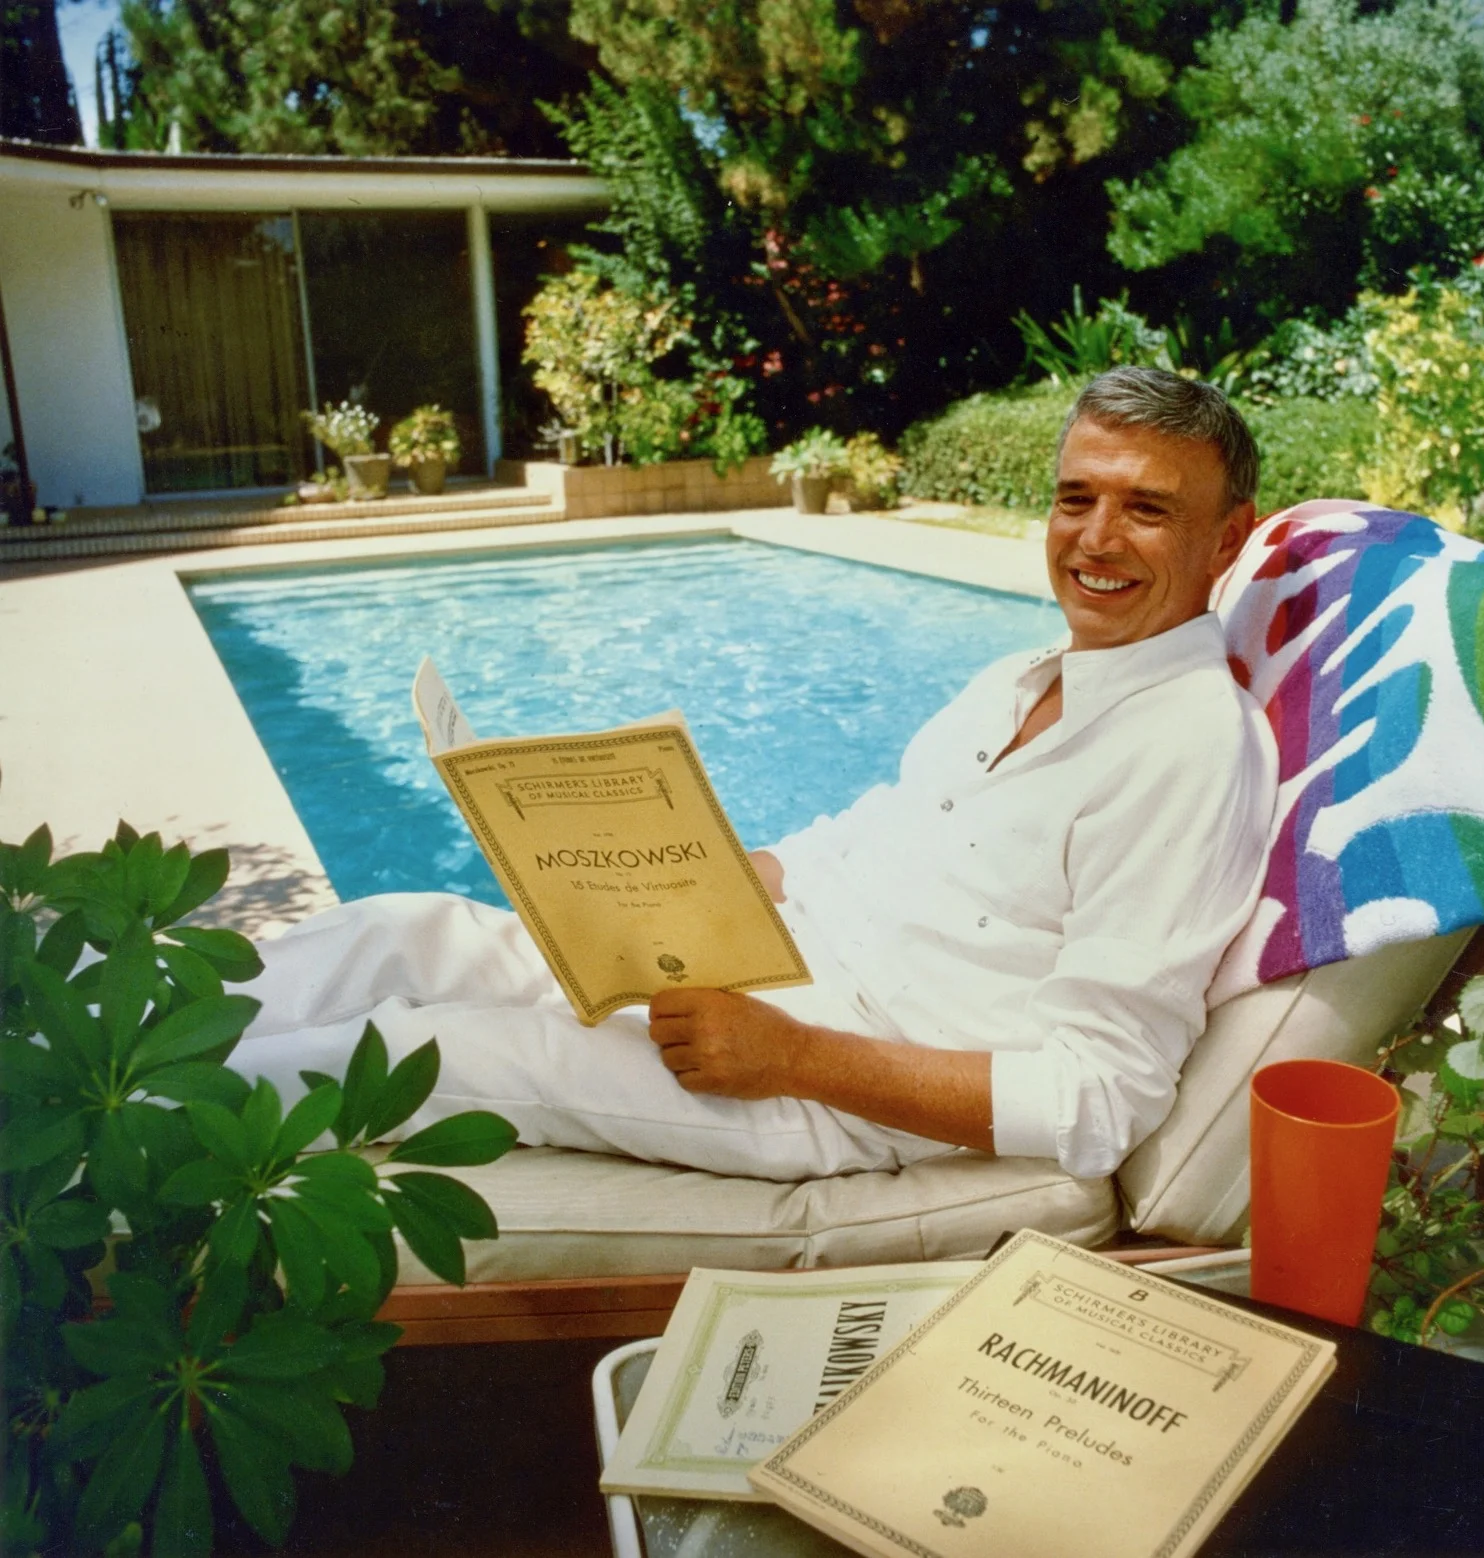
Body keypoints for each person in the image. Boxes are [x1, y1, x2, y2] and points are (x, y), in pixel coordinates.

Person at [233, 367, 1277, 1184]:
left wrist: (791, 1057)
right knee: (403, 929)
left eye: (1146, 510)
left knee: (419, 1052)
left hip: (834, 1082)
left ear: (1225, 538)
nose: (1095, 539)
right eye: (1074, 498)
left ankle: (125, 1131)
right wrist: (648, 877)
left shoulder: (1187, 748)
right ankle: (119, 1038)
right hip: (766, 972)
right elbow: (860, 840)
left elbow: (1098, 1100)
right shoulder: (1021, 675)